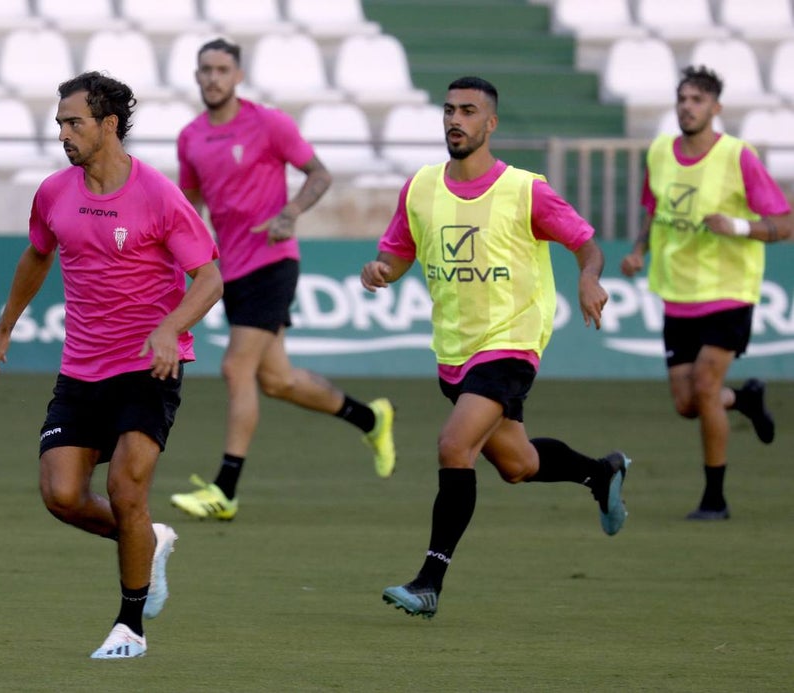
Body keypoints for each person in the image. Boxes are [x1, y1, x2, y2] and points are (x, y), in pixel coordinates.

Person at [360, 76, 631, 620]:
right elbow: (398, 252)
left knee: (453, 447)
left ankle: (429, 581)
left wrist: (589, 278)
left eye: (468, 111)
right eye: (448, 110)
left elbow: (586, 243)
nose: (455, 119)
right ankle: (600, 473)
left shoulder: (525, 189)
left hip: (512, 342)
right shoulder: (420, 188)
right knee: (517, 463)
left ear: (491, 124)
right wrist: (382, 270)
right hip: (455, 349)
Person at [0, 72, 222, 659]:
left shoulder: (159, 195)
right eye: (60, 122)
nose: (62, 133)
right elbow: (38, 254)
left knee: (125, 488)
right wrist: (5, 325)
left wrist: (170, 327)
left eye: (74, 122)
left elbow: (210, 277)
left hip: (149, 367)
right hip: (82, 369)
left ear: (108, 125)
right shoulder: (54, 192)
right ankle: (149, 540)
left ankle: (130, 627)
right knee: (61, 495)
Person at [169, 37, 397, 521]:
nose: (213, 77)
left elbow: (319, 174)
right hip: (230, 269)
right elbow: (191, 207)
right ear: (196, 76)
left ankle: (225, 489)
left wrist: (290, 213)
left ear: (238, 76)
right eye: (205, 69)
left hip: (273, 262)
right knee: (277, 380)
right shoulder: (190, 137)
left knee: (236, 368)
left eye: (222, 69)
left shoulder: (268, 122)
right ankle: (371, 418)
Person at [620, 66, 790, 521]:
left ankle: (715, 498)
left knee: (706, 385)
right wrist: (639, 251)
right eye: (682, 99)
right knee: (687, 404)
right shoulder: (660, 152)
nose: (687, 107)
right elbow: (654, 209)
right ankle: (747, 400)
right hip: (677, 291)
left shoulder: (739, 156)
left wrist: (736, 225)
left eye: (697, 100)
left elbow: (785, 223)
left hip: (730, 291)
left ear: (715, 108)